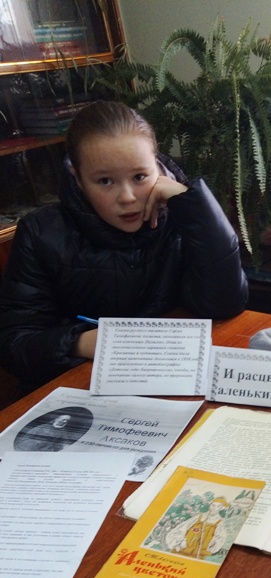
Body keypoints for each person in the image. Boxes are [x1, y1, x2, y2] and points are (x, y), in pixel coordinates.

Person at [0, 100, 248, 393]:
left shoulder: (182, 216)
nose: (127, 197)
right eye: (105, 181)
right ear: (78, 179)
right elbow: (15, 344)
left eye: (140, 177)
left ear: (157, 166)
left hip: (172, 377)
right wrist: (82, 342)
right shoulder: (41, 233)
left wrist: (191, 205)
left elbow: (225, 303)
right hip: (82, 386)